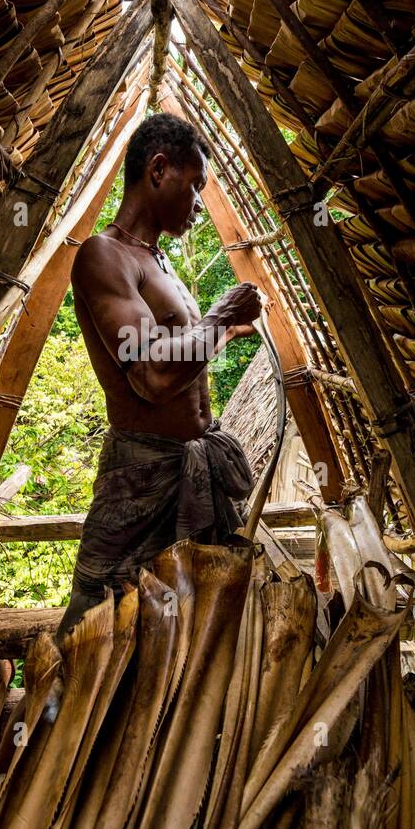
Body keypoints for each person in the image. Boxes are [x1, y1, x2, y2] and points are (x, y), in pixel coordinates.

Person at [56, 112, 263, 641]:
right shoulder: (105, 256)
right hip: (143, 476)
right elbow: (150, 374)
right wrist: (218, 316)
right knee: (98, 627)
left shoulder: (159, 263)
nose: (198, 203)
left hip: (191, 469)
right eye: (194, 186)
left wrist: (222, 329)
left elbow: (185, 352)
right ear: (158, 168)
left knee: (184, 633)